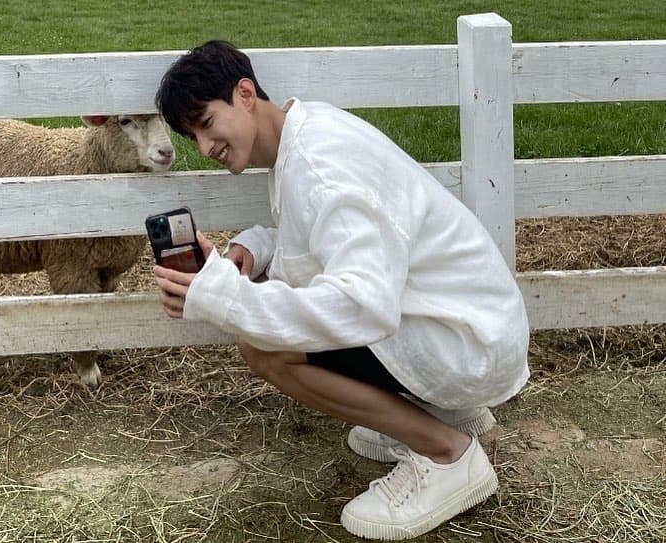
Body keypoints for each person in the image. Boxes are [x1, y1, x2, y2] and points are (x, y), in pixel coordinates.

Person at [152, 40, 529, 541]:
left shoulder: (321, 167)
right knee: (270, 311)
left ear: (245, 94)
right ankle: (446, 413)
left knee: (263, 345)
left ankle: (447, 453)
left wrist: (223, 298)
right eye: (192, 136)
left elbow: (363, 305)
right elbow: (329, 237)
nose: (204, 148)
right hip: (463, 320)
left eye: (206, 123)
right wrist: (257, 250)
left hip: (466, 343)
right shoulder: (307, 133)